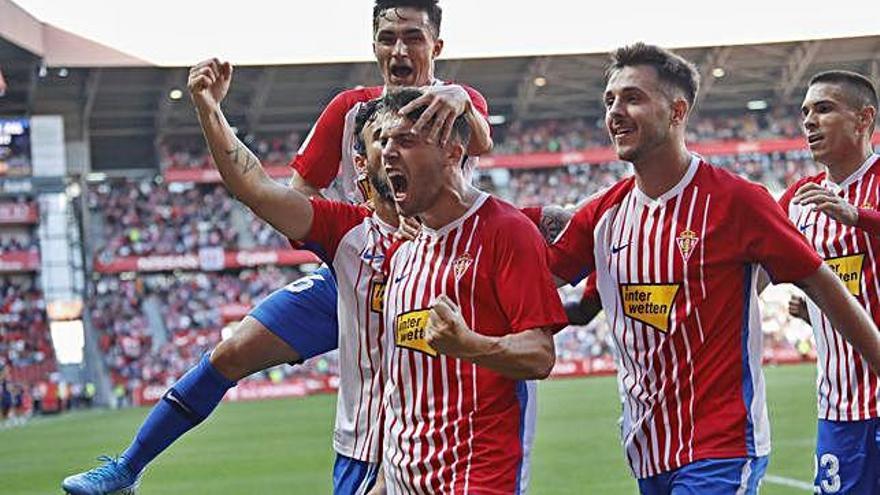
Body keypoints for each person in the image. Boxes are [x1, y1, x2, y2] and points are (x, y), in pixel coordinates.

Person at [61, 1, 492, 494]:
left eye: (413, 37)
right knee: (233, 350)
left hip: (435, 279)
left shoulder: (459, 101)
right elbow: (296, 190)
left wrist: (458, 100)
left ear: (436, 46)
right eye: (388, 37)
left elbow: (480, 141)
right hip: (361, 269)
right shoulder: (350, 111)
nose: (399, 49)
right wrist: (346, 240)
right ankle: (126, 467)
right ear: (373, 45)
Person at [547, 43, 880, 494]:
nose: (616, 112)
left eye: (633, 98)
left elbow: (822, 283)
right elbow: (542, 282)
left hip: (724, 445)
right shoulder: (605, 213)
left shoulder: (737, 201)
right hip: (649, 446)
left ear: (677, 110)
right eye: (609, 101)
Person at [375, 88, 569, 494]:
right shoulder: (402, 252)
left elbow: (539, 354)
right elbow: (399, 386)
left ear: (452, 153)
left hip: (476, 477)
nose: (387, 153)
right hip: (400, 479)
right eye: (384, 141)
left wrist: (470, 345)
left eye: (406, 141)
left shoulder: (506, 231)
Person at [778, 70, 880, 494]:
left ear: (863, 119)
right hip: (840, 408)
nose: (809, 121)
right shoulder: (799, 198)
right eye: (805, 112)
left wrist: (859, 216)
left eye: (824, 108)